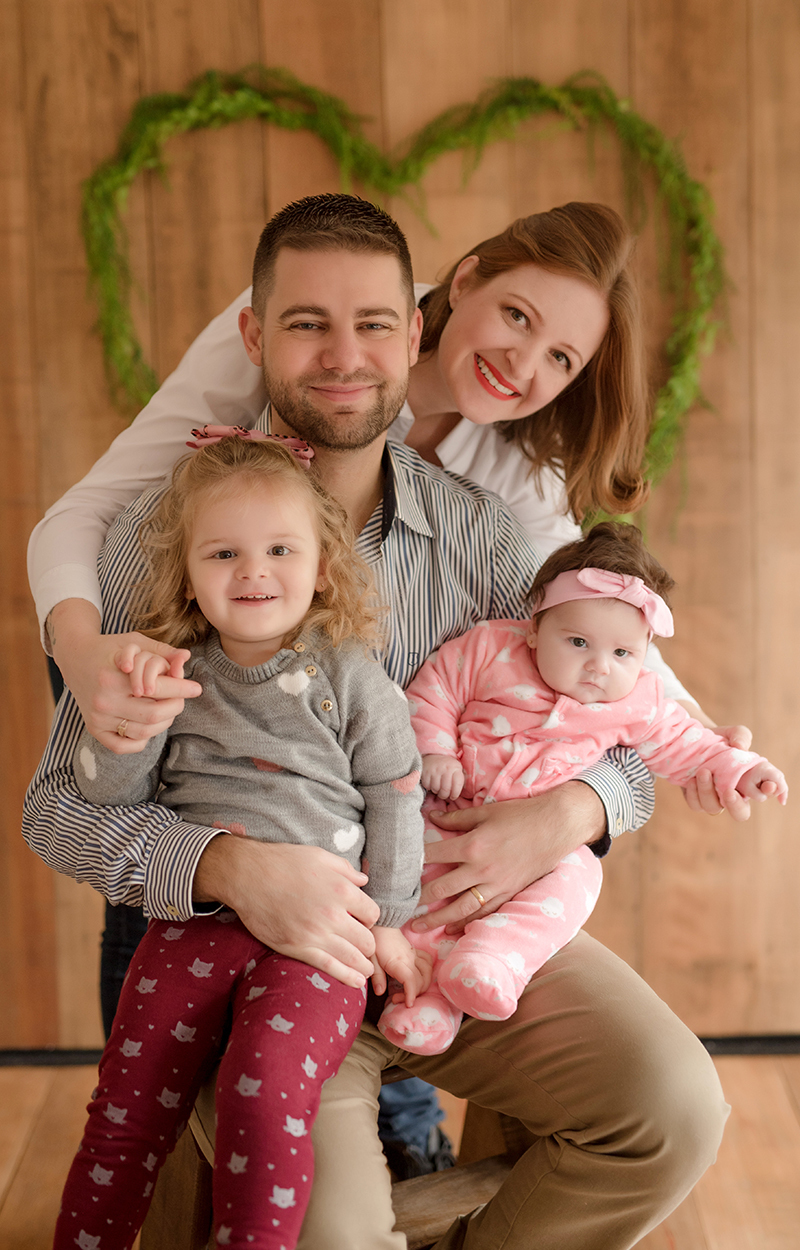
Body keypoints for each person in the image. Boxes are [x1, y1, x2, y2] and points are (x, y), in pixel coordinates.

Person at [25, 194, 729, 1249]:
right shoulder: (161, 539)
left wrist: (579, 805)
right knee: (328, 1230)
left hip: (452, 937)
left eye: (370, 324)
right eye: (306, 323)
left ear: (414, 329)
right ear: (254, 337)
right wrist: (226, 864)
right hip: (251, 957)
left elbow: (637, 717)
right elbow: (60, 812)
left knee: (673, 1109)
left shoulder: (494, 542)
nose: (343, 356)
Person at [56, 432, 430, 1250]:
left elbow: (399, 796)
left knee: (262, 1101)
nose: (253, 571)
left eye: (279, 550)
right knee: (126, 1104)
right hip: (196, 924)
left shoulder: (353, 676)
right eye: (223, 552)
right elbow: (107, 800)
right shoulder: (173, 666)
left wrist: (393, 921)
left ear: (322, 567)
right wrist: (127, 725)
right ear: (188, 574)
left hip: (323, 944)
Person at [379, 522, 787, 1053]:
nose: (599, 667)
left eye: (623, 653)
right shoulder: (489, 648)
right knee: (420, 887)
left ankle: (493, 960)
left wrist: (739, 768)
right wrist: (435, 751)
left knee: (576, 880)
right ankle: (421, 998)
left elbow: (690, 746)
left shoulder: (639, 700)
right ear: (533, 629)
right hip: (451, 808)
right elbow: (434, 688)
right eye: (577, 642)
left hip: (550, 843)